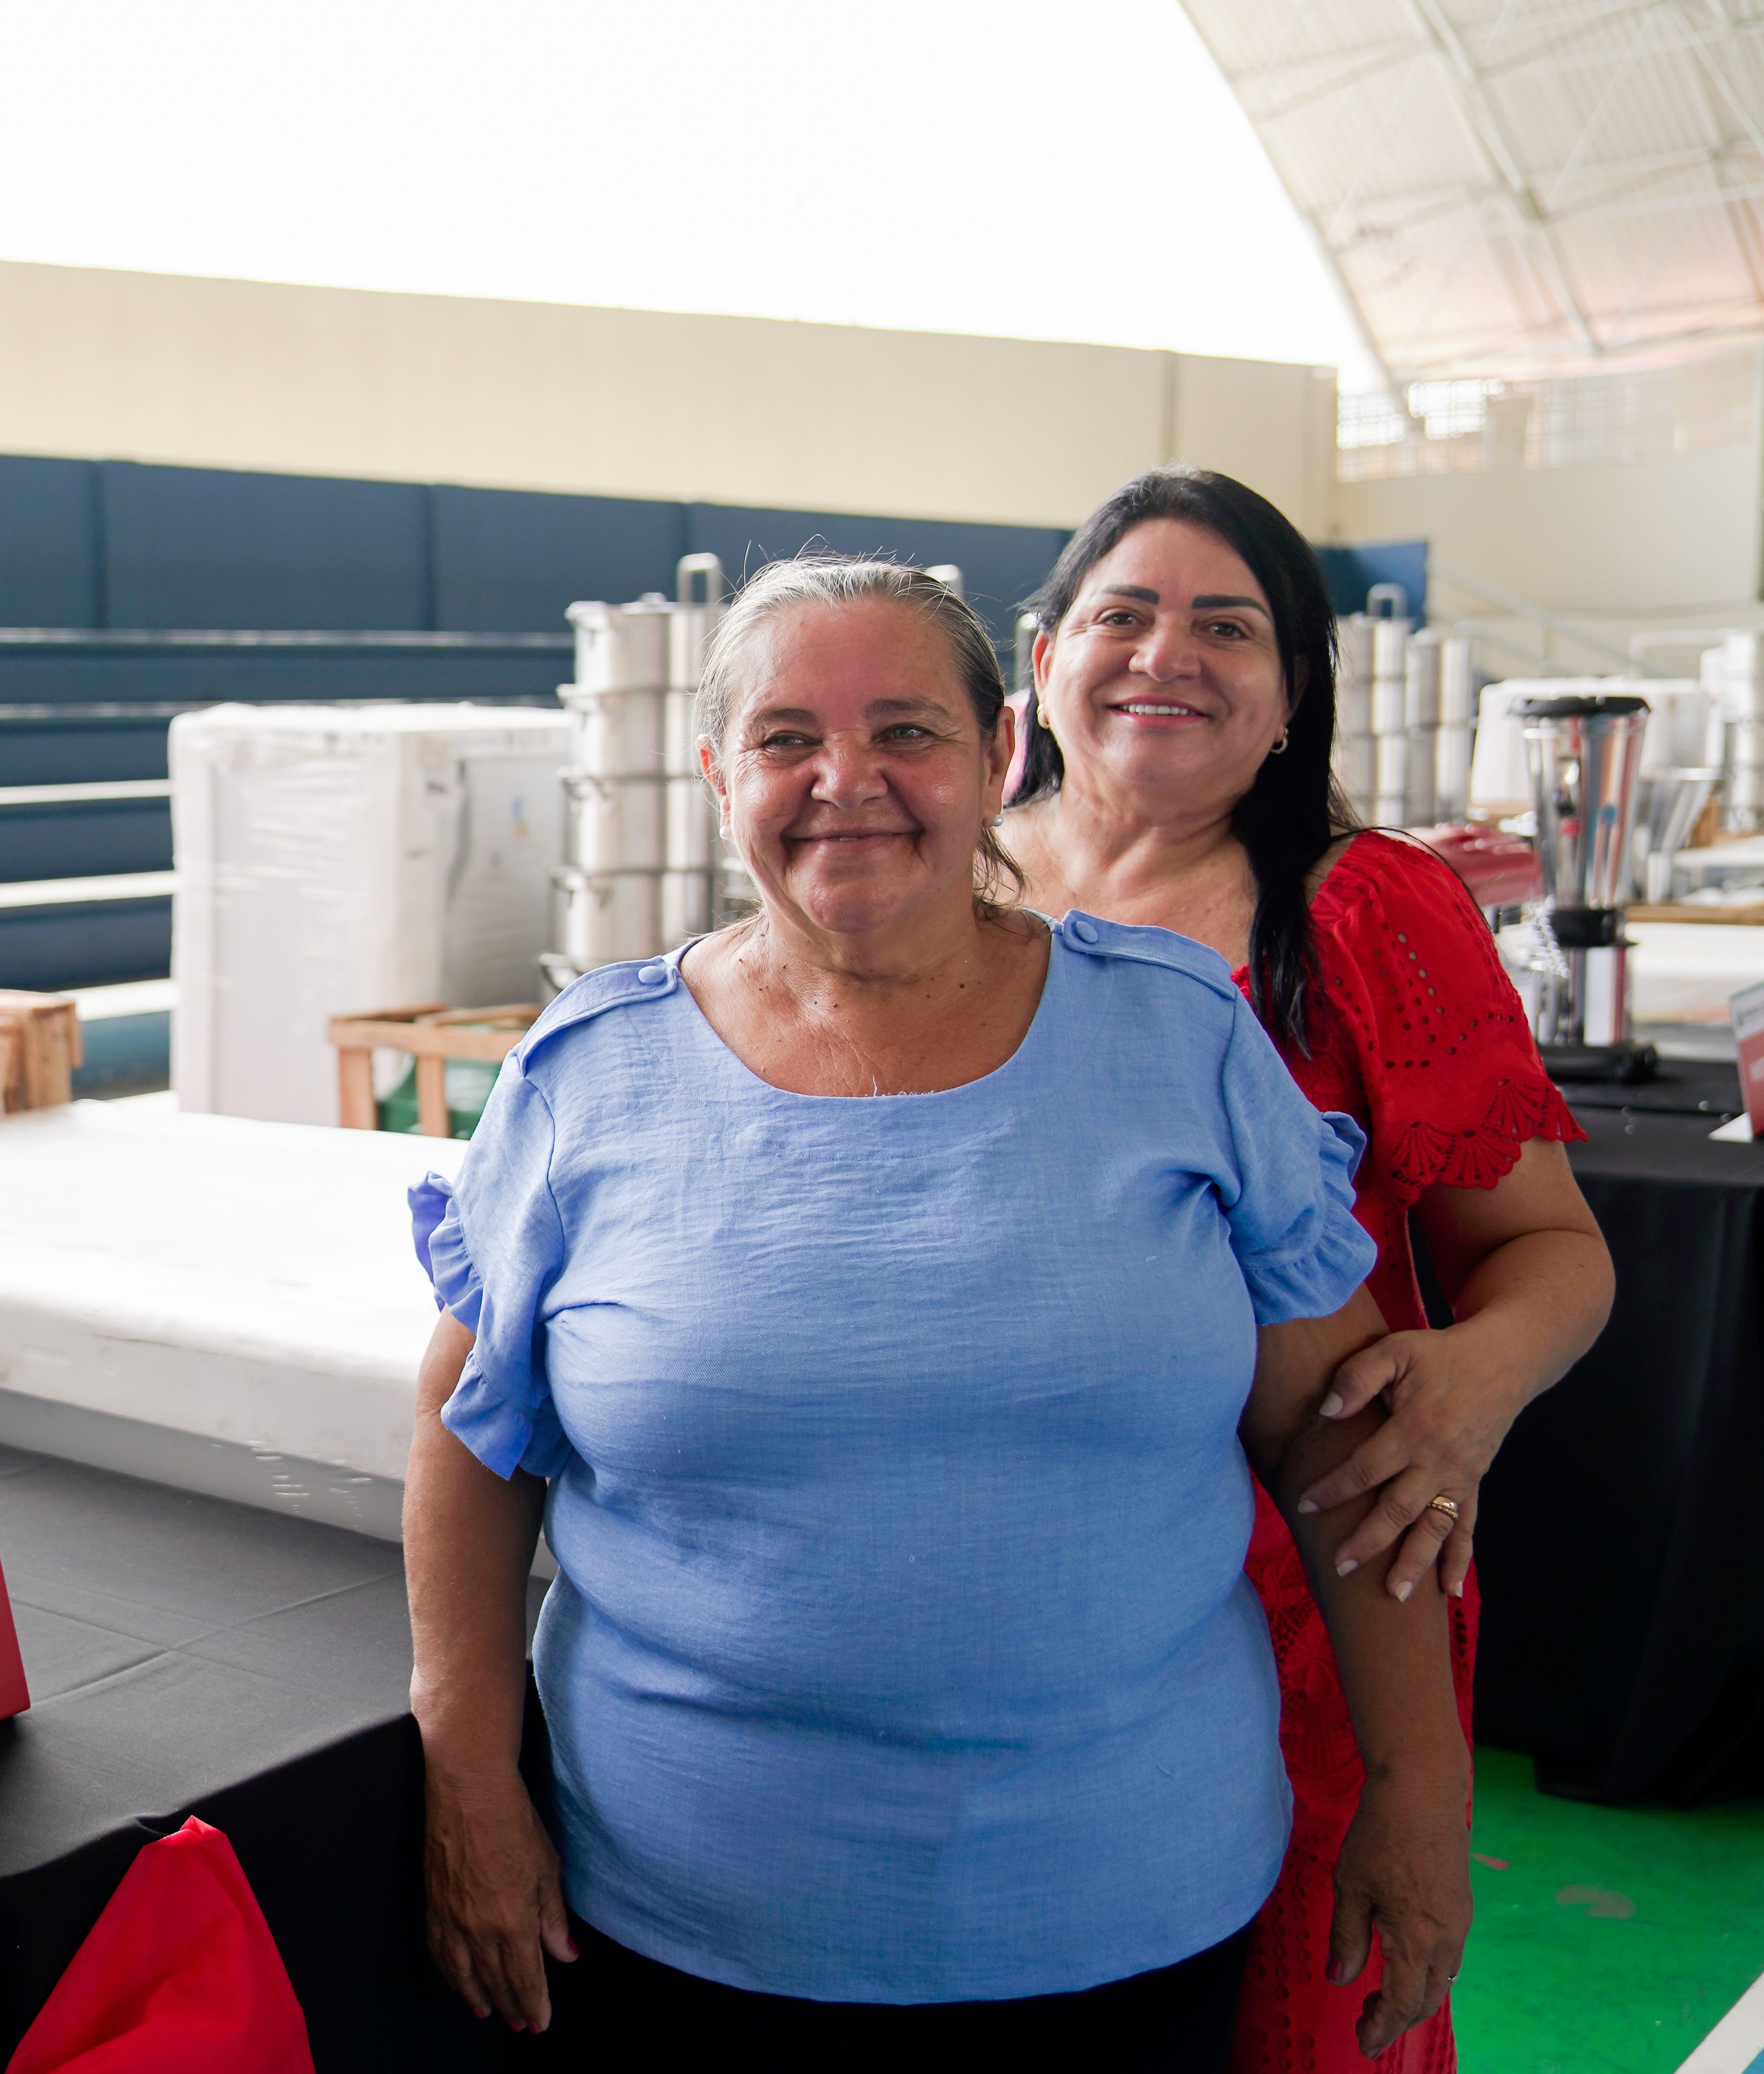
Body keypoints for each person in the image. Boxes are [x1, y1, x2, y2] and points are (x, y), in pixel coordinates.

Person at [405, 556, 1474, 2068]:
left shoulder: (1179, 1039)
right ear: (718, 777)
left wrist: (1421, 1792)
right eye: (787, 739)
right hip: (682, 1922)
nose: (848, 781)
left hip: (1128, 1911)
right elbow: (470, 1440)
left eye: (906, 731)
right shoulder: (587, 1079)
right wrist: (469, 1778)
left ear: (999, 756)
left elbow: (1347, 1454)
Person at [1003, 469, 1614, 2073]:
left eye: (1228, 625)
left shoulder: (1362, 911)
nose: (1166, 655)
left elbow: (1553, 1252)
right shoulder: (960, 890)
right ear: (1044, 656)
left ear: (1292, 696)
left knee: (1289, 2017)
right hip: (1016, 1596)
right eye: (1123, 615)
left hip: (1306, 1603)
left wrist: (1473, 1383)